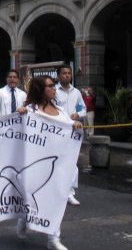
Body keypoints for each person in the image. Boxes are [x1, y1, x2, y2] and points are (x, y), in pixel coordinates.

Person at [16, 75, 80, 250]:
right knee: (31, 197)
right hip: (35, 163)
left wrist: (74, 125)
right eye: (49, 86)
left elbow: (68, 128)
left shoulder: (61, 111)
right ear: (40, 90)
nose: (54, 89)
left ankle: (53, 239)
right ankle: (24, 218)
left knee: (57, 198)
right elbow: (18, 131)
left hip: (58, 164)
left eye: (53, 86)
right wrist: (20, 113)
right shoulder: (31, 110)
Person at [54, 66, 85, 206]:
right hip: (57, 131)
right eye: (64, 73)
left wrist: (78, 115)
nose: (67, 76)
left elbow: (82, 108)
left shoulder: (76, 92)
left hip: (73, 131)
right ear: (59, 76)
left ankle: (70, 192)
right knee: (57, 162)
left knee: (72, 163)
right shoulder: (53, 92)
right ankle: (56, 190)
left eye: (68, 73)